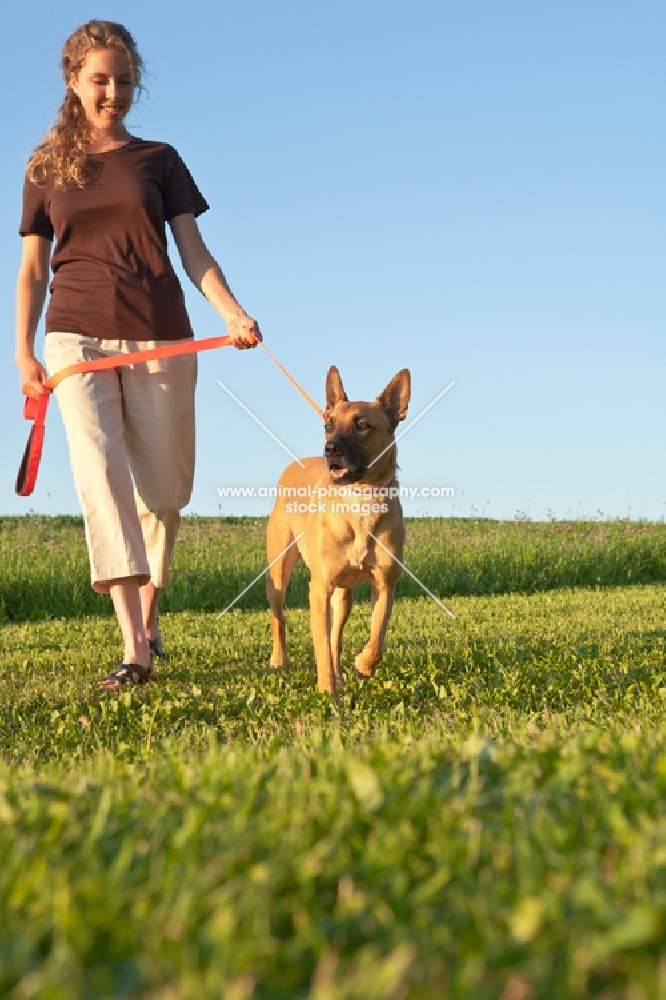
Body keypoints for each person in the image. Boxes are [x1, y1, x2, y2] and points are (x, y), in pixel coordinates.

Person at [15, 20, 260, 689]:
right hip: (76, 336)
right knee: (101, 477)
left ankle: (150, 617)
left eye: (124, 80)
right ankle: (133, 647)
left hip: (160, 332)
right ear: (74, 81)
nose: (113, 92)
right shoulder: (45, 165)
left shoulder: (161, 160)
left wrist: (233, 314)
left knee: (164, 490)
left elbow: (194, 253)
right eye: (100, 80)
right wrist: (23, 350)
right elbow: (33, 269)